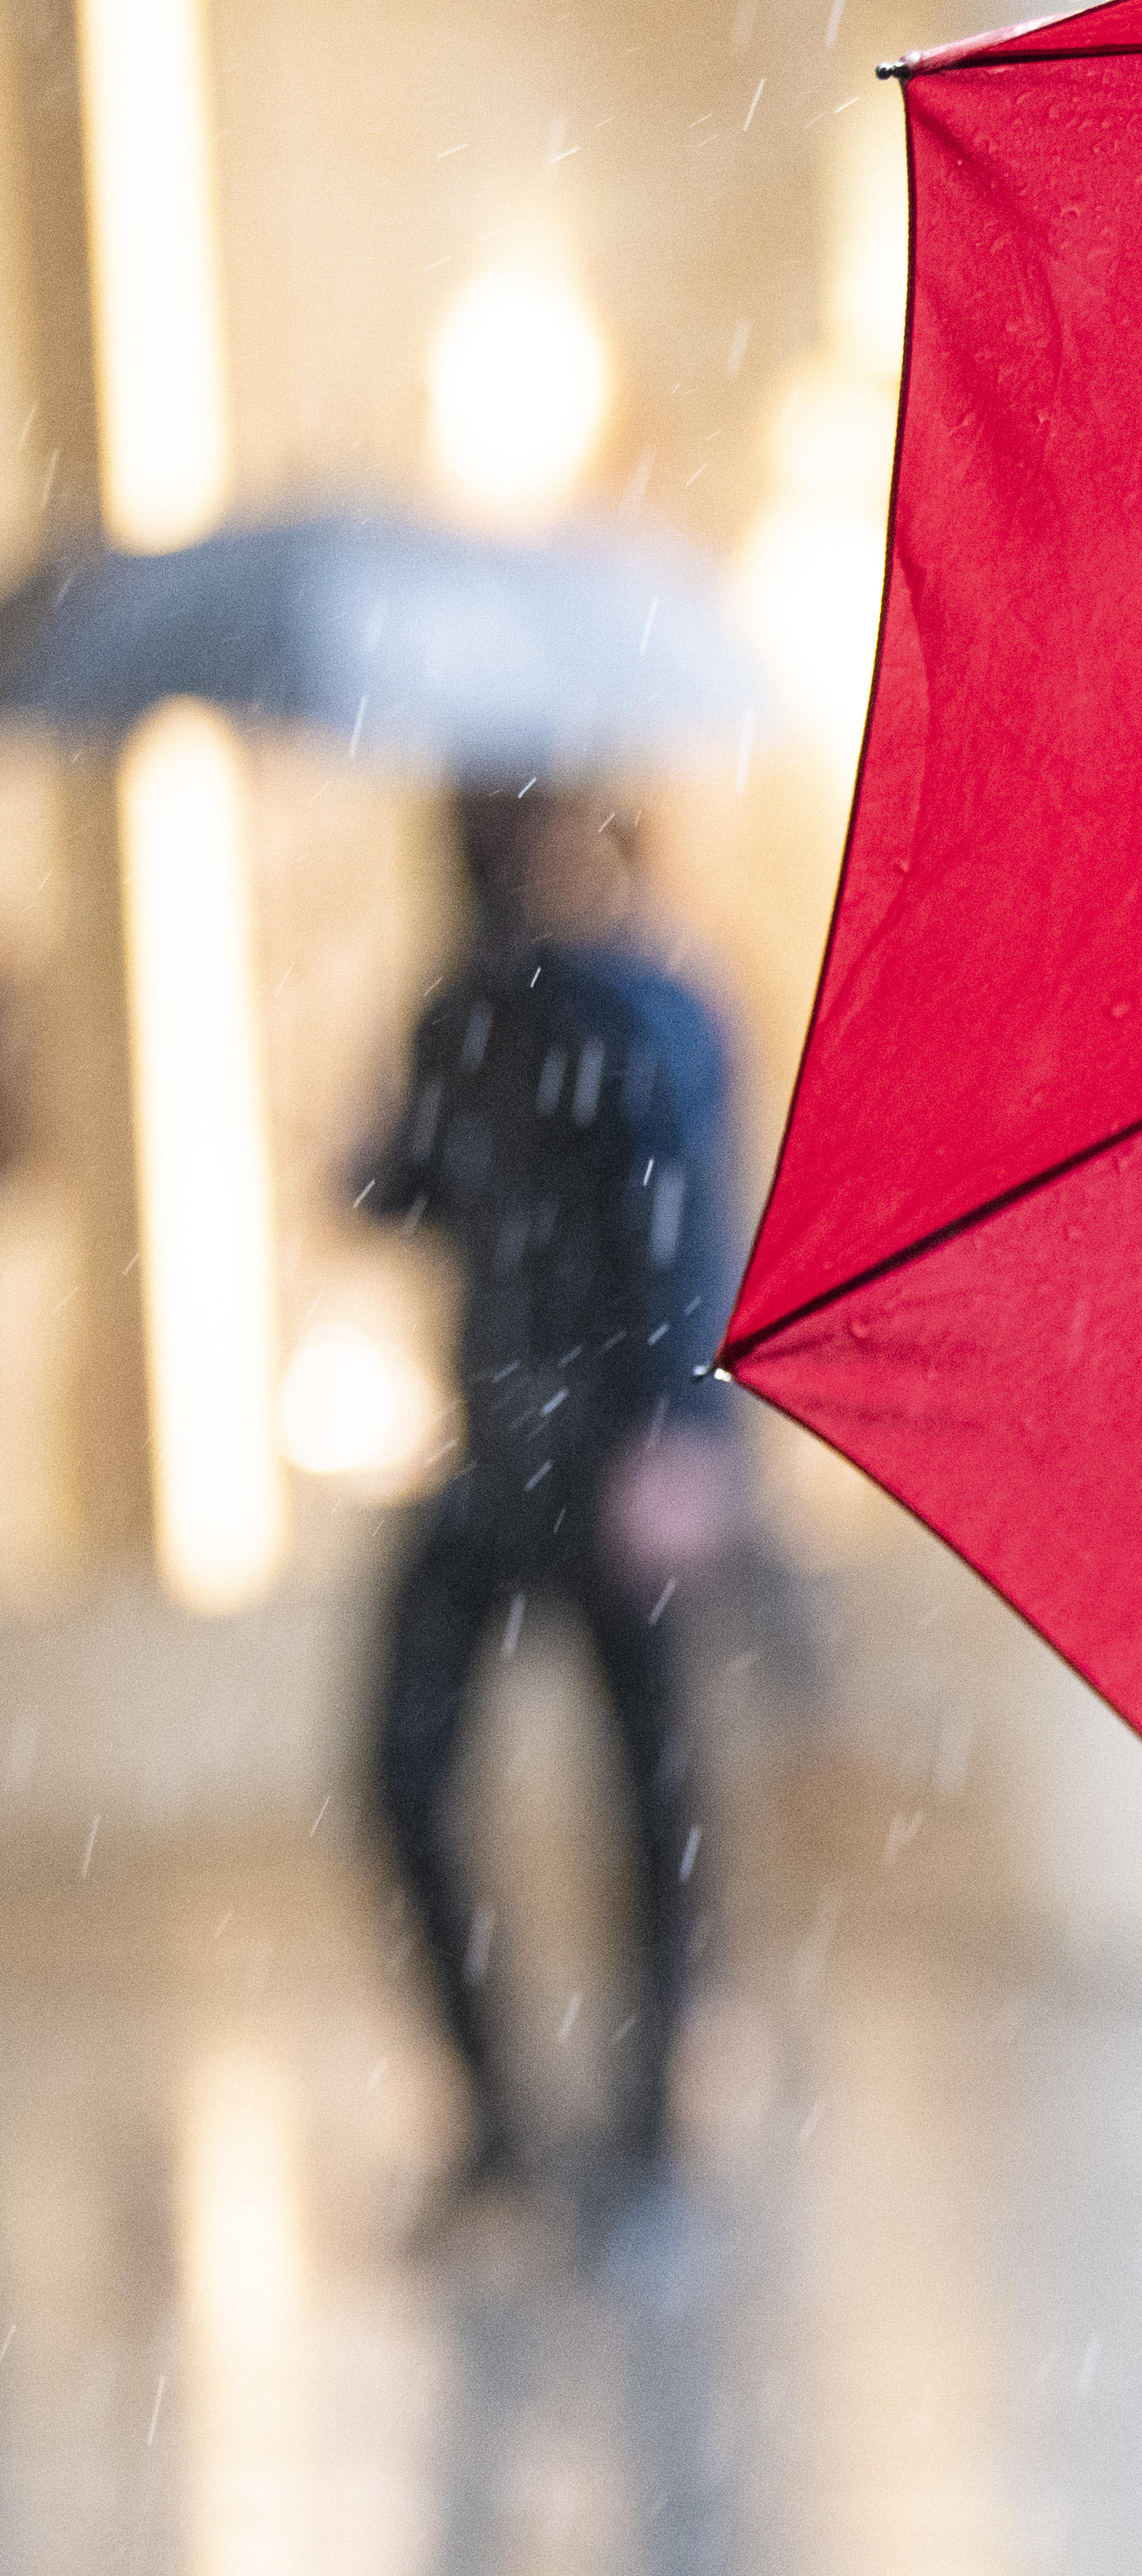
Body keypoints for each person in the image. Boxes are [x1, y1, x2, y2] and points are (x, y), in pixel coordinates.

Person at [350, 775, 743, 2219]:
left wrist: (676, 1437)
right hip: (501, 1454)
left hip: (603, 1453)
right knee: (412, 1768)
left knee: (648, 1788)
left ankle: (645, 2134)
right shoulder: (459, 1014)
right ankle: (510, 2120)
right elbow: (426, 1190)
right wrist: (370, 1157)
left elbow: (678, 1233)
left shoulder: (619, 1011)